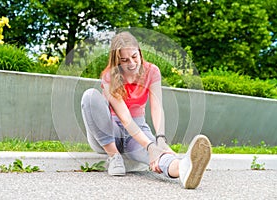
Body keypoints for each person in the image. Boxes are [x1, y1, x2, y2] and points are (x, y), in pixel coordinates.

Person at [81, 31, 211, 189]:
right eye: (124, 60)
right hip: (109, 131)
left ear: (140, 52)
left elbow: (156, 107)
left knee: (158, 156)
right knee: (89, 96)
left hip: (138, 130)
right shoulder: (109, 77)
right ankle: (114, 156)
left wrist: (160, 141)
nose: (131, 63)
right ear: (117, 61)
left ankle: (183, 169)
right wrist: (150, 146)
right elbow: (125, 118)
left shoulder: (152, 71)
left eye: (134, 56)